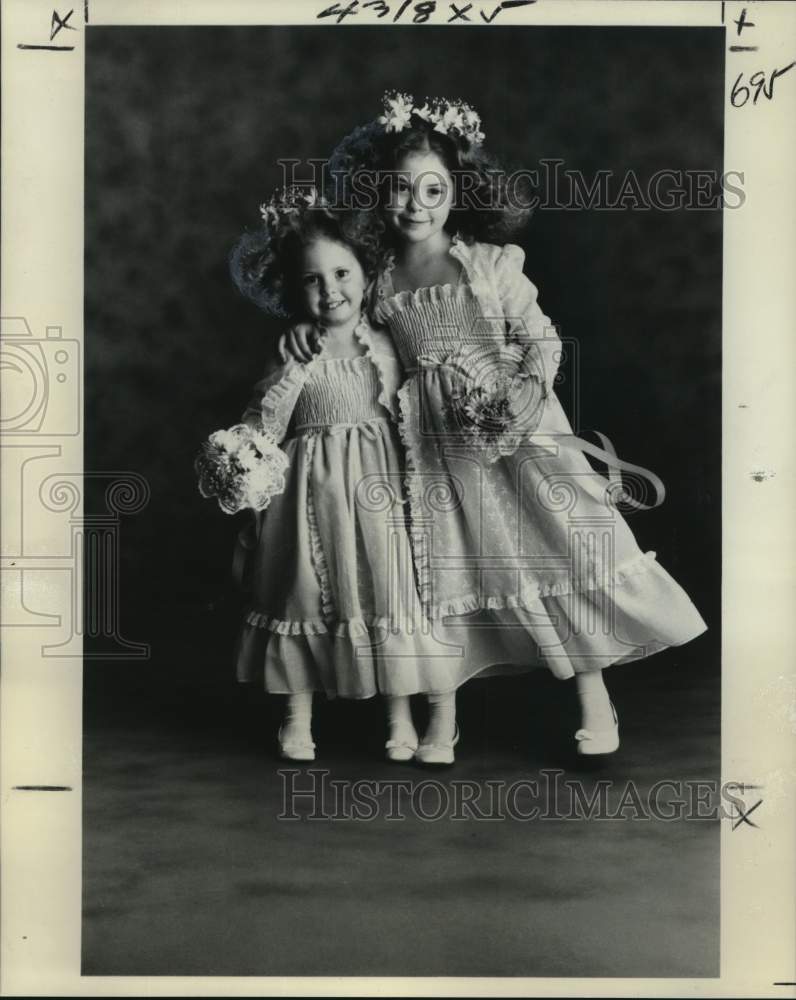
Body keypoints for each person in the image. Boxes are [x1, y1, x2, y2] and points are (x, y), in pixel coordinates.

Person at [281, 92, 708, 760]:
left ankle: (595, 698)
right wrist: (307, 331)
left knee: (554, 550)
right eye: (399, 190)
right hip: (432, 445)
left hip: (508, 431)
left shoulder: (488, 264)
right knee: (446, 569)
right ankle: (444, 719)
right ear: (378, 195)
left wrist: (523, 388)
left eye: (432, 189)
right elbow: (356, 340)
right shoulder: (378, 277)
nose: (415, 205)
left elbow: (539, 338)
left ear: (459, 192)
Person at [199, 187, 476, 765]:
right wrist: (254, 441)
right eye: (312, 280)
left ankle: (401, 715)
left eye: (342, 272)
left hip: (382, 489)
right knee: (304, 593)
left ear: (366, 270)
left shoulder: (387, 337)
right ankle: (297, 718)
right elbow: (265, 422)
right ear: (292, 288)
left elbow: (413, 402)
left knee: (389, 590)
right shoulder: (294, 350)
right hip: (309, 498)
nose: (330, 291)